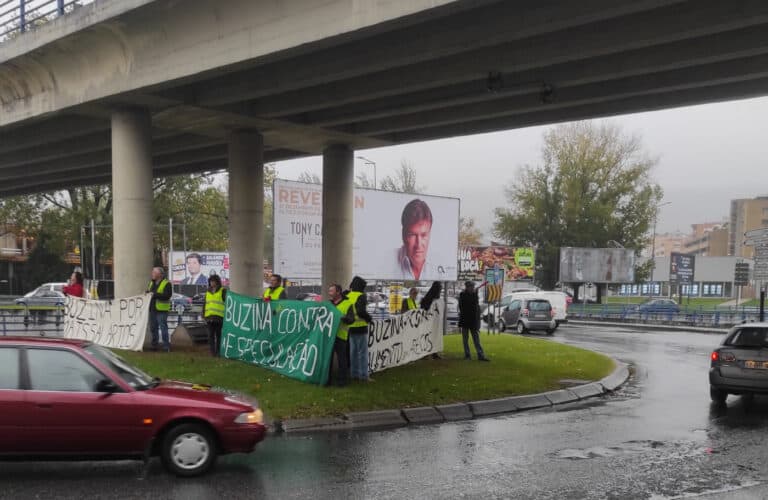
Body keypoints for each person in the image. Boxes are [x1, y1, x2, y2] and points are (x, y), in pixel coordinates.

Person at [396, 199, 434, 280]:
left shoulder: (440, 264)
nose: (418, 244)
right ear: (403, 235)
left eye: (424, 235)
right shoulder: (387, 261)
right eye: (412, 235)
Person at [346, 276, 373, 382]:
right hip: (361, 328)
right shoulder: (361, 296)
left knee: (353, 353)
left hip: (351, 328)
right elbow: (361, 311)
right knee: (362, 353)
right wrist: (369, 318)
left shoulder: (348, 295)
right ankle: (364, 376)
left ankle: (354, 374)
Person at [327, 283, 354, 387]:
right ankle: (327, 380)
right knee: (327, 359)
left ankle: (342, 381)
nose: (329, 293)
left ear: (338, 292)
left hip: (340, 336)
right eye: (329, 291)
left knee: (342, 359)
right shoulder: (328, 304)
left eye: (331, 291)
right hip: (329, 336)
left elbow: (351, 320)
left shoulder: (348, 304)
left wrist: (343, 318)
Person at [458, 281, 490, 362]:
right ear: (467, 287)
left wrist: (475, 295)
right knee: (465, 340)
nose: (472, 288)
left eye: (473, 287)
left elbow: (476, 306)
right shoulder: (462, 295)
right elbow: (466, 306)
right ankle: (467, 355)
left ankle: (480, 355)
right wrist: (474, 295)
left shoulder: (474, 295)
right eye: (471, 287)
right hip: (465, 320)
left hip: (473, 321)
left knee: (476, 339)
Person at [147, 267, 172, 352]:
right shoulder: (151, 283)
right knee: (153, 328)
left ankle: (166, 346)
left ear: (160, 274)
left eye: (154, 272)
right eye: (152, 272)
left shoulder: (167, 284)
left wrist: (154, 294)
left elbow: (167, 296)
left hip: (161, 310)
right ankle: (154, 345)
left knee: (163, 327)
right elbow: (148, 292)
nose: (152, 273)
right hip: (152, 309)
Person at [203, 274, 226, 357]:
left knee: (219, 335)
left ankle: (218, 351)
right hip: (209, 317)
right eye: (211, 281)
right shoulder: (208, 292)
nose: (212, 283)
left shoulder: (222, 291)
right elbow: (205, 304)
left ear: (217, 282)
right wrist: (204, 315)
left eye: (213, 281)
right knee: (211, 336)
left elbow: (226, 303)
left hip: (219, 317)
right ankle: (212, 352)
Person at [420, 282, 443, 359]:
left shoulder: (437, 299)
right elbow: (424, 309)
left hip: (435, 322)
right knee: (428, 336)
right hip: (428, 322)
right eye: (439, 289)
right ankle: (425, 353)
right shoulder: (428, 299)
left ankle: (434, 352)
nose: (440, 291)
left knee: (435, 336)